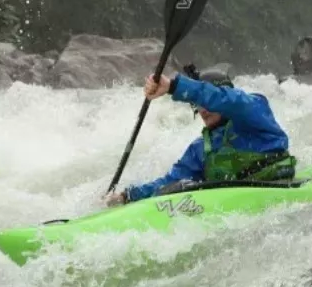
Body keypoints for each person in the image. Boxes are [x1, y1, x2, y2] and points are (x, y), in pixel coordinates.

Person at [103, 63, 296, 207]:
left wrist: (174, 87)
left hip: (280, 191)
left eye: (206, 103)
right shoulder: (201, 148)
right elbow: (171, 180)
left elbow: (227, 100)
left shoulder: (253, 112)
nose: (202, 110)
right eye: (197, 105)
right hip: (237, 208)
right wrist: (128, 196)